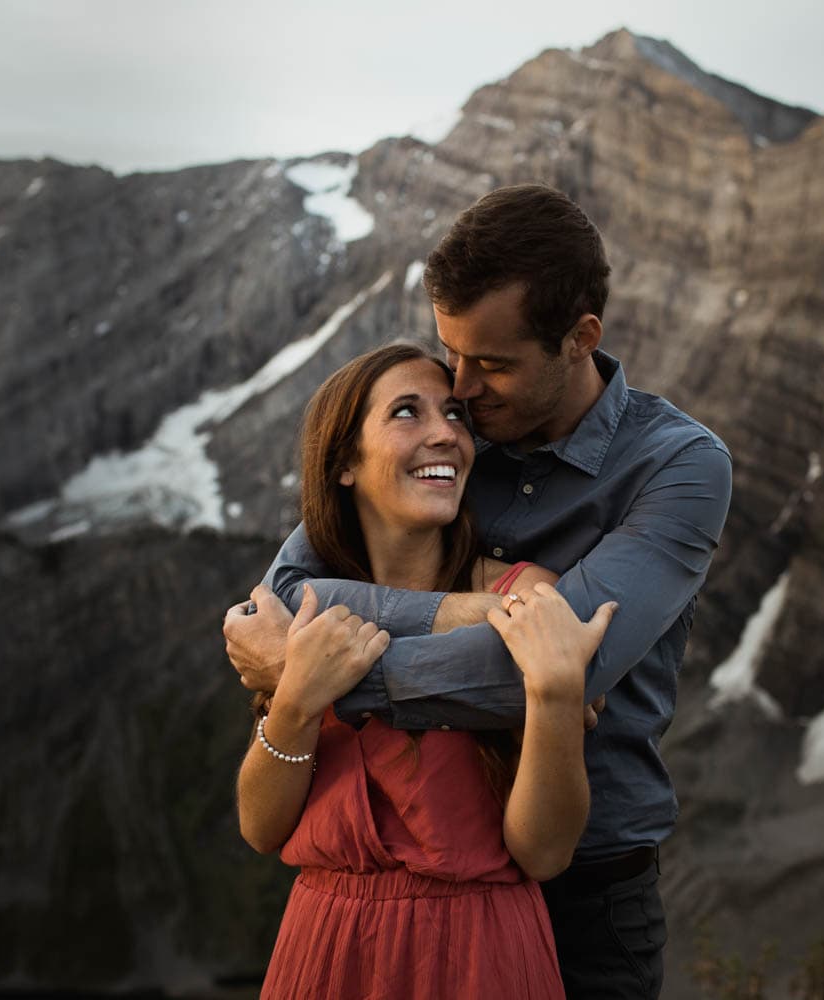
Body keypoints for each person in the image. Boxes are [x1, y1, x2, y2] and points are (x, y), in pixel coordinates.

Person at [226, 184, 733, 997]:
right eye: (450, 353)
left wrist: (320, 675)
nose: (460, 387)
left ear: (580, 339)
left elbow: (552, 669)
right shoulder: (451, 435)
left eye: (492, 364)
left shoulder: (677, 466)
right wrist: (463, 613)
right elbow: (292, 588)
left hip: (588, 885)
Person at [238, 343, 617, 999]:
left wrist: (555, 698)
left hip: (479, 957)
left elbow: (544, 853)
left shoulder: (529, 596)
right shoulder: (298, 612)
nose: (445, 433)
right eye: (407, 413)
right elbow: (261, 827)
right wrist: (297, 701)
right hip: (324, 956)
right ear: (345, 462)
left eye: (455, 417)